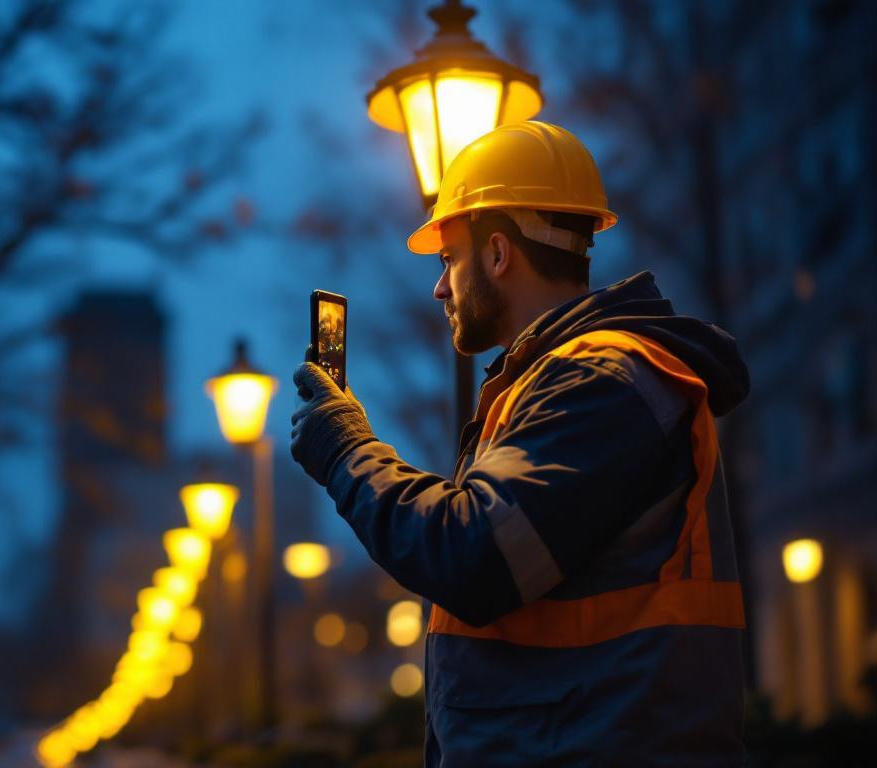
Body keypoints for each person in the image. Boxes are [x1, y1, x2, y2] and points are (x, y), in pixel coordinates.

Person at [289, 121, 749, 766]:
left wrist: (345, 450)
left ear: (499, 253)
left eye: (448, 260)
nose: (439, 288)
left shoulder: (603, 380)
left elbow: (473, 554)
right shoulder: (569, 381)